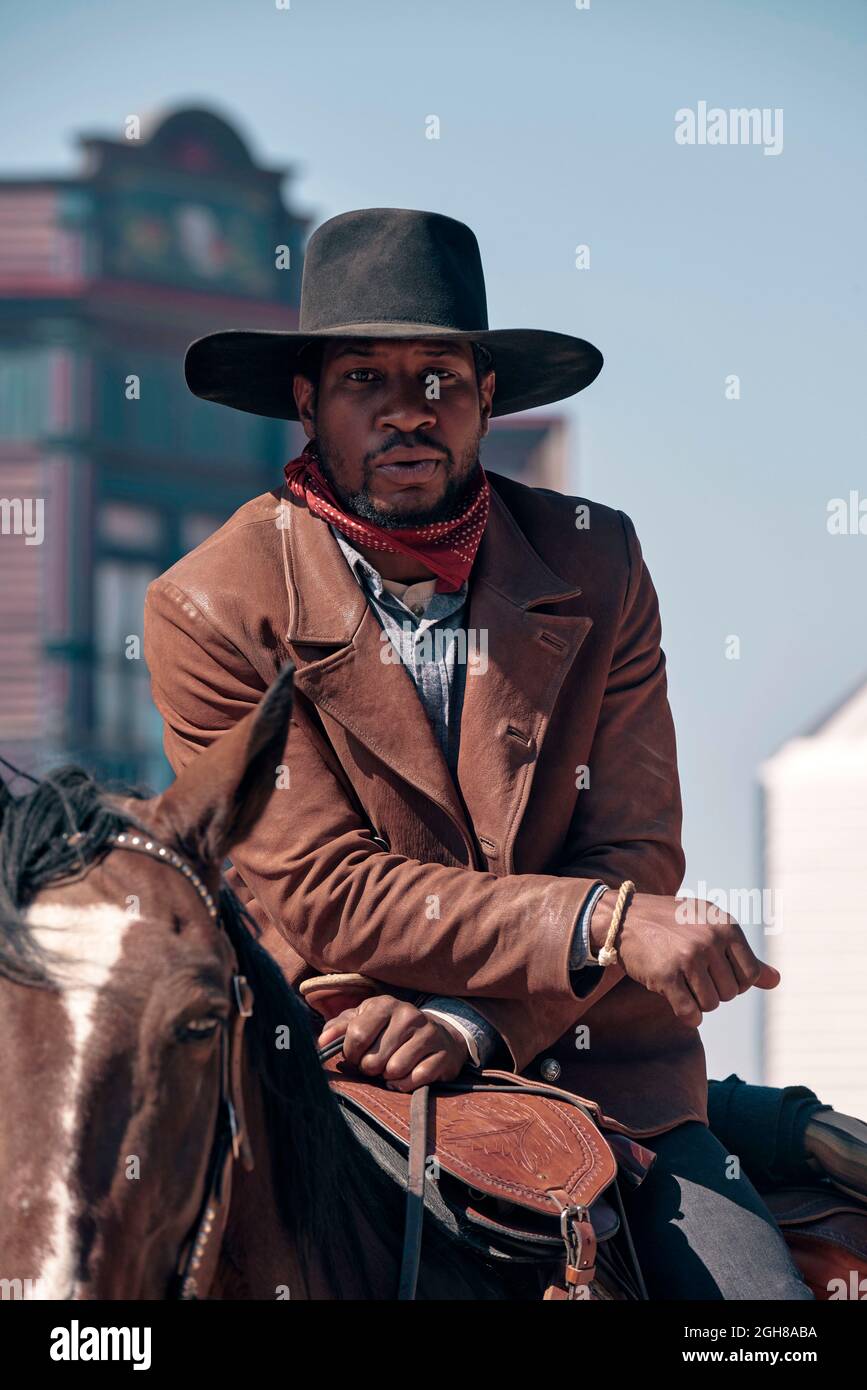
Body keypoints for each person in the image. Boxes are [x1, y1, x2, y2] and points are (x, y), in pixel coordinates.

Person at [144, 207, 812, 1298]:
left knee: (762, 1317)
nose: (410, 413)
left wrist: (478, 1023)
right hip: (344, 1066)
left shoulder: (598, 561)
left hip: (609, 1067)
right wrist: (600, 924)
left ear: (489, 395)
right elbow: (325, 891)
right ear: (308, 400)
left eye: (441, 378)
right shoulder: (213, 605)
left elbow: (634, 849)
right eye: (366, 379)